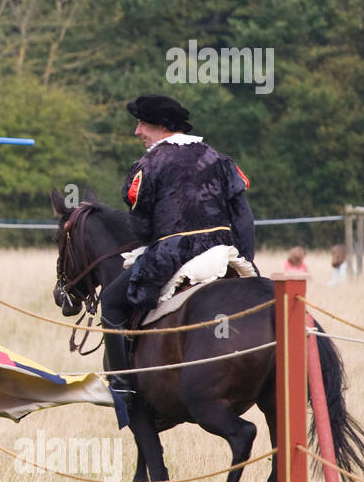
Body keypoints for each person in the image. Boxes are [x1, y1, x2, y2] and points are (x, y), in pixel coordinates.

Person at [99, 95, 255, 423]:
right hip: (224, 251)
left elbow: (141, 227)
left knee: (112, 302)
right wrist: (244, 259)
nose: (137, 131)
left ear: (163, 127)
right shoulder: (219, 158)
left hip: (173, 253)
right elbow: (243, 217)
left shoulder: (149, 164)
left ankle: (122, 383)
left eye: (143, 124)